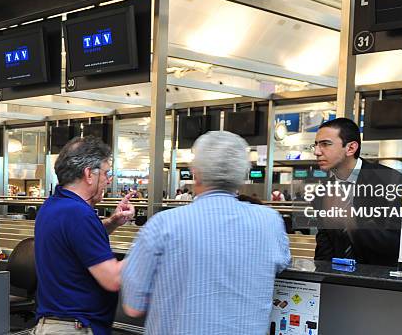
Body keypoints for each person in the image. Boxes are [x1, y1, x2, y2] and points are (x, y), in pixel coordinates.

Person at [121, 131, 291, 335]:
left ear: (196, 172)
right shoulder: (270, 221)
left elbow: (133, 307)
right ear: (243, 174)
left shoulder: (164, 224)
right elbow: (282, 263)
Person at [34, 136, 135, 335]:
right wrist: (151, 242)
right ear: (89, 174)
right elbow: (113, 278)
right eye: (106, 173)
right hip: (74, 328)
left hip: (56, 324)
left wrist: (112, 222)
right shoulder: (78, 214)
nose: (108, 180)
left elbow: (75, 239)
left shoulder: (54, 205)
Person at [312, 118, 402, 266]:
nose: (317, 152)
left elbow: (400, 242)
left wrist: (353, 223)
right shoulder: (322, 191)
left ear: (351, 148)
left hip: (378, 281)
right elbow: (324, 247)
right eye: (316, 145)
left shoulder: (392, 181)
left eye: (325, 144)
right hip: (338, 280)